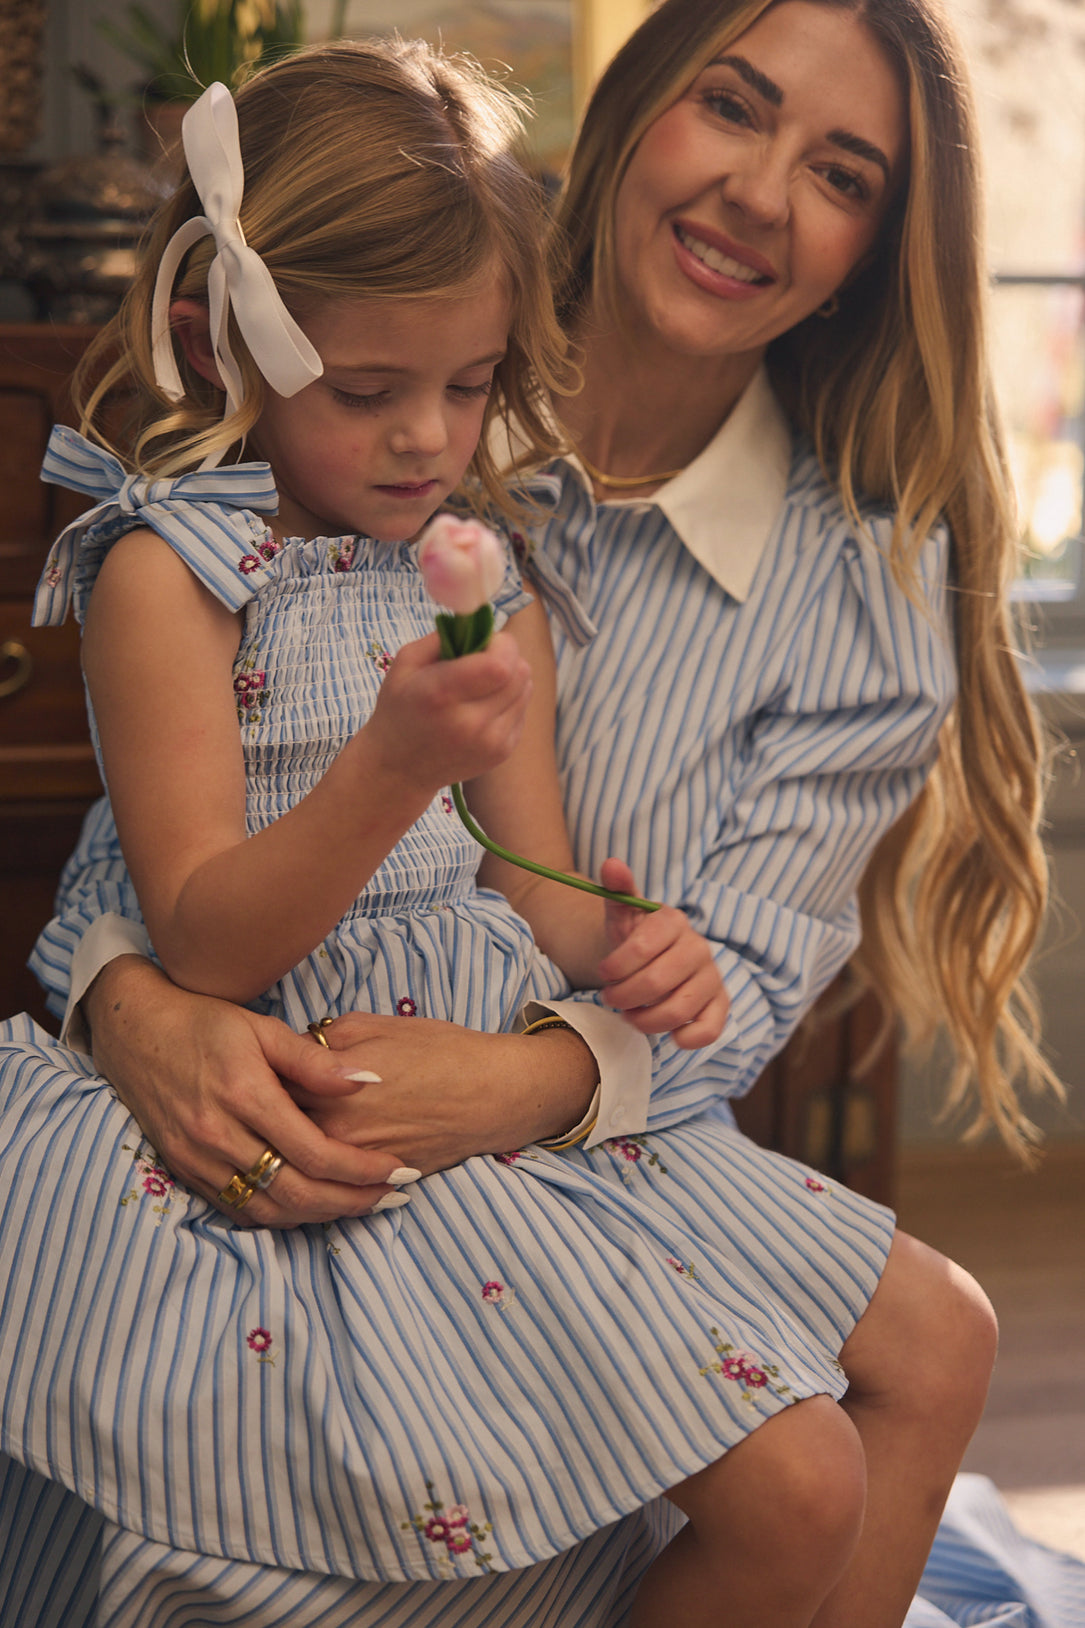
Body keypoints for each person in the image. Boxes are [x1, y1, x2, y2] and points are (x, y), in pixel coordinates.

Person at [0, 2, 1057, 1626]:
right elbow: (175, 887)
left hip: (548, 1101)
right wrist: (134, 999)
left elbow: (555, 883)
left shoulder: (796, 591)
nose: (762, 193)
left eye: (840, 172)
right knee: (785, 1471)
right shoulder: (356, 472)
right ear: (636, 109)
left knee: (931, 1343)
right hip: (322, 1070)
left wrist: (637, 954)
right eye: (735, 105)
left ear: (872, 249)